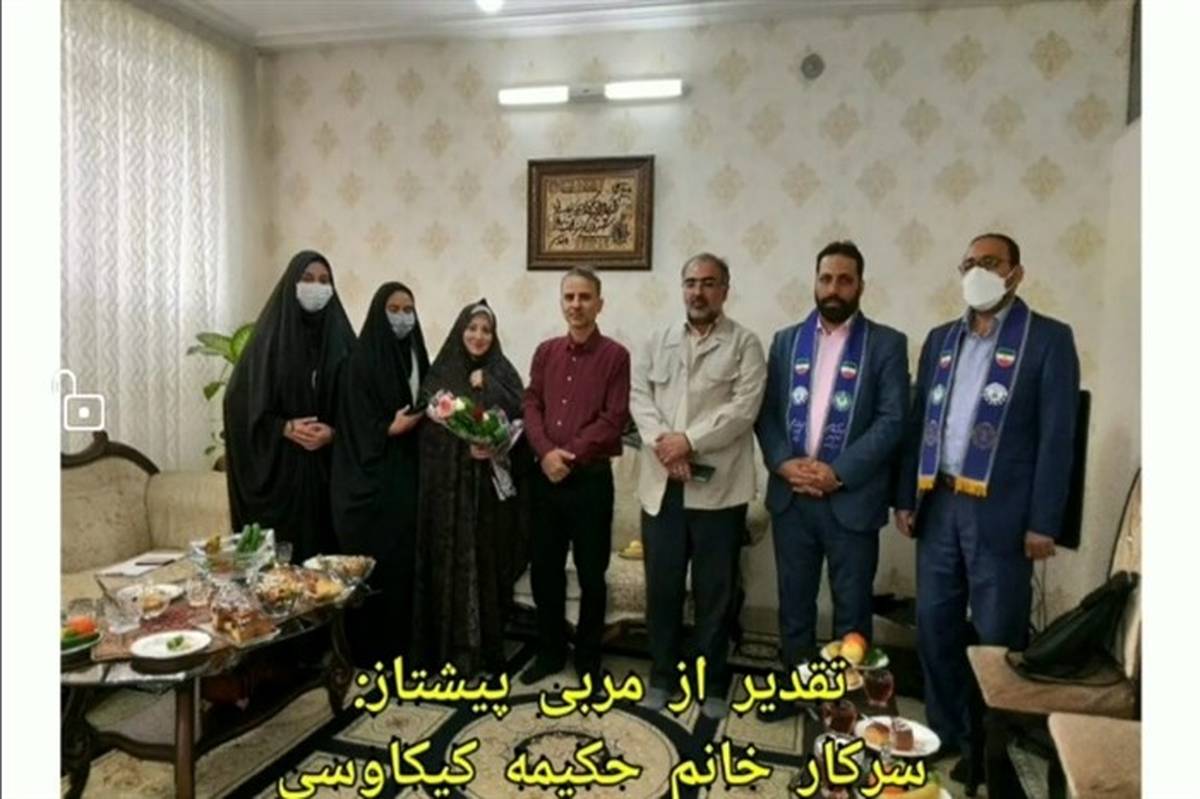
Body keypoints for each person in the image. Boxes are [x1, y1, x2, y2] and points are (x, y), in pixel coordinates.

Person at [894, 233, 1079, 779]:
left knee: (998, 636)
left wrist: (1045, 522)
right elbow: (918, 425)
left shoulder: (1047, 339)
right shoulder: (941, 339)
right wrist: (906, 496)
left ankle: (990, 749)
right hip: (939, 502)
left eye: (991, 263)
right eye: (970, 263)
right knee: (935, 626)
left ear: (1015, 273)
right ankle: (947, 729)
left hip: (1003, 513)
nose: (977, 272)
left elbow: (1058, 438)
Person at [754, 241, 909, 719]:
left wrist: (837, 472)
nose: (833, 288)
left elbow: (893, 420)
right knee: (794, 606)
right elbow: (766, 413)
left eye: (844, 279)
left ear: (860, 285)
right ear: (815, 281)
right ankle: (799, 690)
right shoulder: (786, 342)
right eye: (826, 278)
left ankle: (846, 703)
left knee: (852, 611)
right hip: (792, 498)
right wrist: (783, 463)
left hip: (851, 500)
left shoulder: (886, 344)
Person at [629, 252, 767, 719]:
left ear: (725, 290)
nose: (698, 292)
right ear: (681, 287)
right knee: (663, 590)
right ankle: (662, 676)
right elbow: (639, 399)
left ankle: (712, 681)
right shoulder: (657, 340)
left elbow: (743, 409)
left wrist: (688, 441)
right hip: (662, 486)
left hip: (719, 491)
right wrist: (666, 446)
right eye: (691, 282)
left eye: (709, 283)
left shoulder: (745, 344)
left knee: (715, 594)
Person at [520, 267, 631, 686]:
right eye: (569, 297)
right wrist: (545, 452)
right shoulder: (545, 351)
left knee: (591, 575)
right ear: (561, 302)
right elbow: (531, 403)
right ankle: (549, 652)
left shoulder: (616, 356)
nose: (576, 304)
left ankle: (587, 658)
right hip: (545, 481)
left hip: (590, 482)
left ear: (600, 303)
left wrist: (567, 455)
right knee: (544, 571)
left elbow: (613, 417)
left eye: (585, 297)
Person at [412, 300, 529, 676]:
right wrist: (462, 445)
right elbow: (427, 432)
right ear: (459, 331)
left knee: (487, 563)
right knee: (449, 564)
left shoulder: (503, 372)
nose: (479, 336)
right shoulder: (440, 372)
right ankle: (449, 649)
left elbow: (521, 419)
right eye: (472, 328)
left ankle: (486, 648)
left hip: (489, 496)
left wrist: (492, 442)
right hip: (449, 495)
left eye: (486, 330)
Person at [224, 249, 355, 564]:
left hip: (328, 478)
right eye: (307, 279)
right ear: (291, 283)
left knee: (325, 570)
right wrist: (283, 427)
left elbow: (360, 408)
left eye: (324, 280)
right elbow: (237, 404)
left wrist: (334, 433)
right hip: (281, 474)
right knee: (282, 572)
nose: (316, 287)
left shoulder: (344, 343)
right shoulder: (269, 340)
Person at [330, 282, 429, 665]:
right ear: (377, 312)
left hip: (404, 481)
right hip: (367, 486)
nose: (402, 317)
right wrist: (387, 428)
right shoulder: (359, 362)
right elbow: (352, 422)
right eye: (394, 309)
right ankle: (366, 653)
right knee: (372, 569)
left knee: (402, 567)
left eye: (408, 309)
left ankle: (402, 649)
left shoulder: (417, 354)